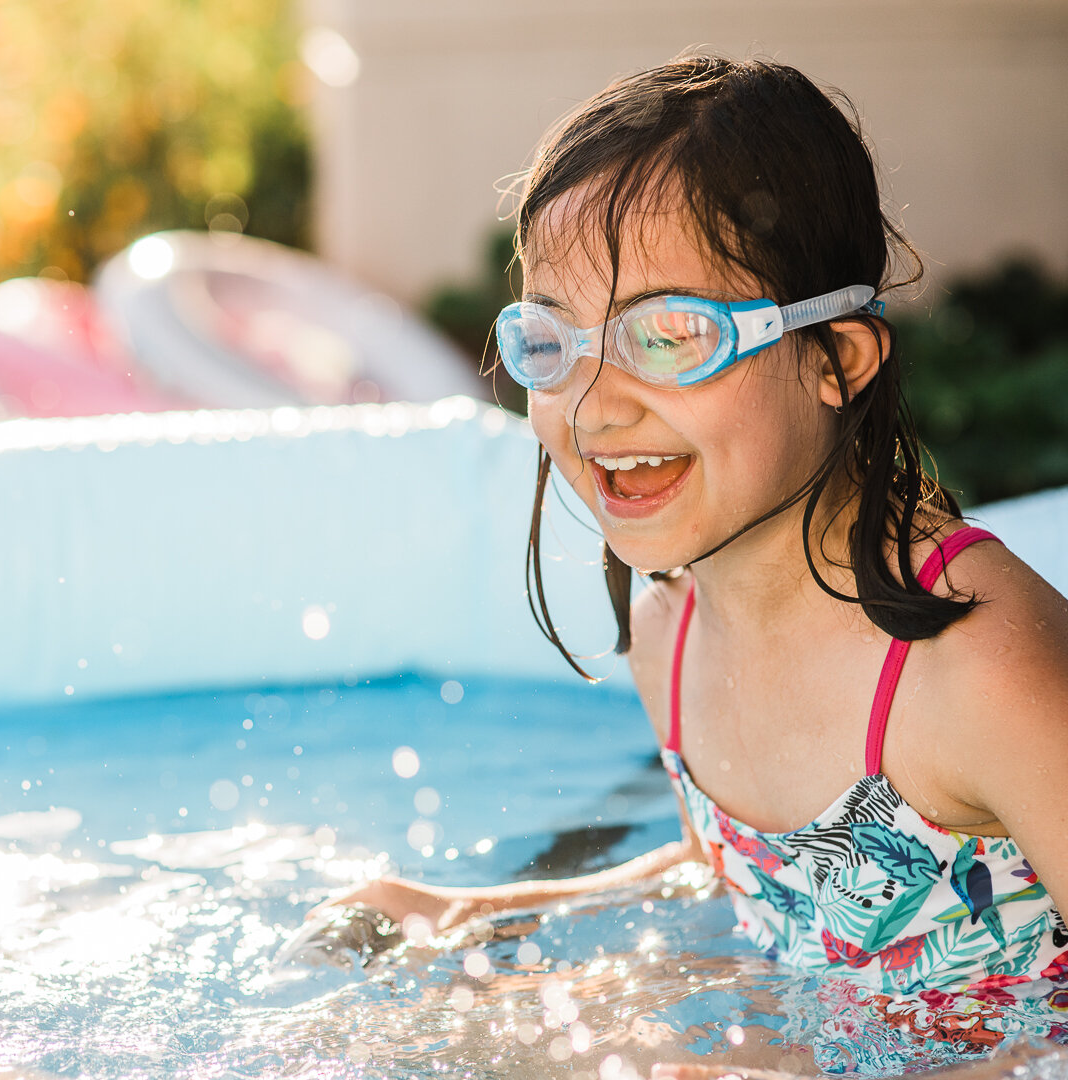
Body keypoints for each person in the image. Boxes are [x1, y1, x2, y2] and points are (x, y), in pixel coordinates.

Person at [316, 55, 1068, 1072]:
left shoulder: (973, 661)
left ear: (836, 359)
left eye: (669, 336)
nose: (596, 403)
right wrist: (471, 911)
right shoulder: (671, 635)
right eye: (552, 341)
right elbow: (772, 880)